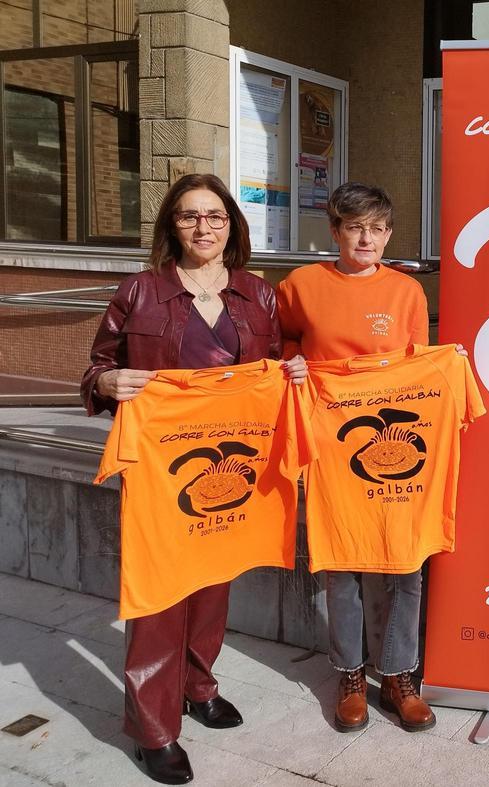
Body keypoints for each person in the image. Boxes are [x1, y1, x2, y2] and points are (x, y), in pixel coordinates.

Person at [81, 173, 307, 784]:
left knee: (213, 580)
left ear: (231, 225)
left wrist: (294, 372)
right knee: (157, 593)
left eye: (213, 216)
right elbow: (98, 365)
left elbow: (277, 366)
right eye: (188, 216)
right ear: (171, 227)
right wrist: (105, 383)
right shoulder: (140, 291)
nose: (202, 226)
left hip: (232, 466)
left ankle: (199, 686)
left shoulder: (260, 295)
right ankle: (153, 726)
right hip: (163, 468)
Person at [276, 181, 438, 734]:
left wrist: (447, 364)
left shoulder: (407, 293)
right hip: (329, 442)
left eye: (375, 228)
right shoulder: (300, 285)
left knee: (404, 559)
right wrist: (293, 363)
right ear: (336, 231)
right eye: (354, 227)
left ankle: (398, 676)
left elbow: (419, 367)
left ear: (388, 234)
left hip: (393, 445)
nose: (364, 237)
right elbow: (284, 340)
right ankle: (349, 674)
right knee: (340, 560)